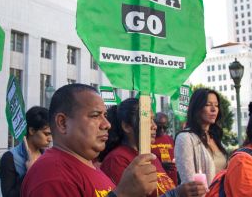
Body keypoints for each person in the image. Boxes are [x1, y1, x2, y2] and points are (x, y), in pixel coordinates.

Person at [21, 83, 158, 197]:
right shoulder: (53, 176)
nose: (107, 124)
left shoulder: (86, 165)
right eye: (95, 115)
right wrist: (122, 194)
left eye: (105, 115)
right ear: (63, 123)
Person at [99, 98, 206, 197]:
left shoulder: (148, 156)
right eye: (147, 120)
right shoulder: (117, 160)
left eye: (153, 120)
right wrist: (177, 194)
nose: (154, 126)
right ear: (127, 126)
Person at [175, 88, 227, 185]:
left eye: (216, 105)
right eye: (208, 105)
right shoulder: (185, 138)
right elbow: (189, 182)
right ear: (197, 108)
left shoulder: (214, 136)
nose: (214, 109)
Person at [0, 106, 52, 197]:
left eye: (52, 134)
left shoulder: (48, 156)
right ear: (31, 130)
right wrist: (29, 173)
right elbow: (8, 195)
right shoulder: (10, 158)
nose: (50, 139)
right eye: (46, 134)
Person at [151, 112, 178, 184]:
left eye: (165, 127)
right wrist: (160, 166)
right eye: (159, 127)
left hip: (172, 182)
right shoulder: (149, 140)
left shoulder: (170, 139)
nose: (162, 130)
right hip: (157, 183)